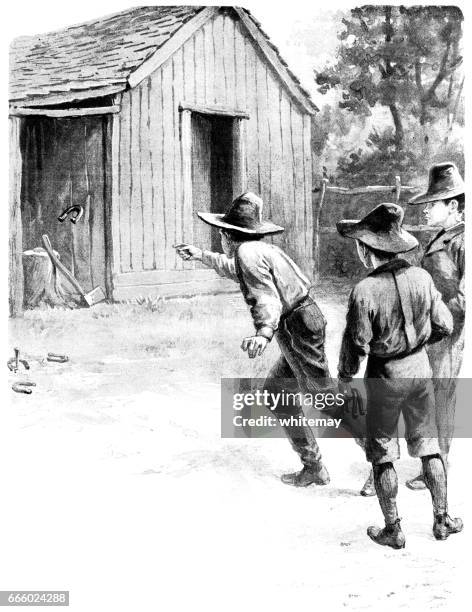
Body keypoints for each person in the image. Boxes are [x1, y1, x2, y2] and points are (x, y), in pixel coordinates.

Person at [176, 192, 338, 487]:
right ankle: (313, 466)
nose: (221, 240)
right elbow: (236, 271)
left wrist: (264, 333)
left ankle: (379, 457)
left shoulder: (247, 254)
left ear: (227, 235)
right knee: (277, 393)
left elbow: (266, 297)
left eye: (221, 235)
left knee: (326, 399)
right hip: (300, 321)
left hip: (297, 325)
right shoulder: (257, 251)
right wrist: (200, 255)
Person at [337, 202, 462, 549]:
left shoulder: (364, 291)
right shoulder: (422, 277)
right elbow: (445, 325)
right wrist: (419, 345)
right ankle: (442, 520)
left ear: (366, 249)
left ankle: (393, 529)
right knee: (429, 446)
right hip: (420, 371)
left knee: (383, 454)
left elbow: (356, 344)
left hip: (384, 377)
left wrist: (346, 375)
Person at [406, 162, 465, 490]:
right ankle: (432, 463)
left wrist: (440, 327)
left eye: (432, 205)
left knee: (441, 396)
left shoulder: (461, 241)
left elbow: (460, 297)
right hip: (434, 330)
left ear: (453, 206)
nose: (426, 211)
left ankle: (437, 466)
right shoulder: (444, 236)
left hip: (446, 331)